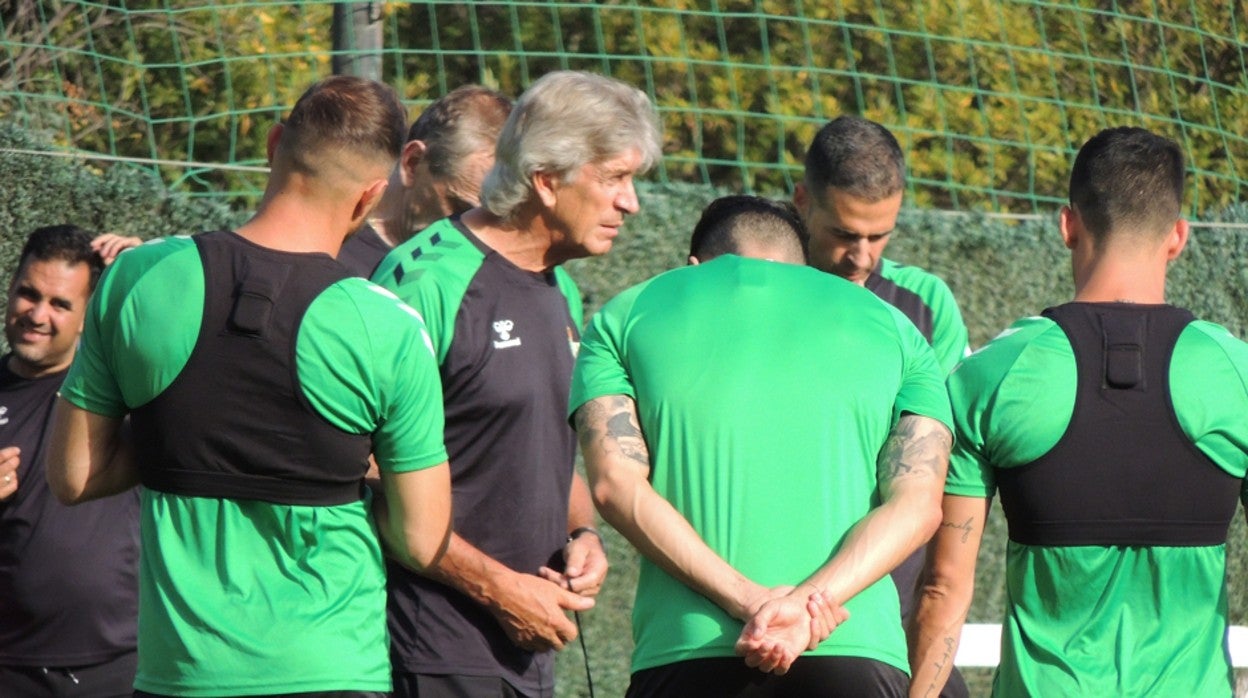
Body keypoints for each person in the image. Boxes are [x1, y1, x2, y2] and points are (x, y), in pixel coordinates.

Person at [44, 75, 453, 697]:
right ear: (371, 195)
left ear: (274, 143)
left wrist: (180, 428)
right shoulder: (389, 326)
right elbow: (422, 541)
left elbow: (75, 476)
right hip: (332, 669)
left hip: (181, 675)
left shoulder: (138, 276)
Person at [908, 126, 1248, 698]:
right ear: (1178, 237)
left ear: (1068, 225)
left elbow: (943, 588)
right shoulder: (1236, 375)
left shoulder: (993, 374)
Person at [570, 195, 953, 697]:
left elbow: (614, 486)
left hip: (689, 650)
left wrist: (751, 602)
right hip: (851, 647)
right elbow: (919, 506)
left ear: (694, 267)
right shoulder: (897, 327)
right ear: (803, 266)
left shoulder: (625, 314)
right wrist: (806, 605)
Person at [371, 69, 662, 698]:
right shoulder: (425, 282)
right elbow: (367, 476)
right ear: (547, 180)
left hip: (528, 645)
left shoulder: (561, 289)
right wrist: (499, 590)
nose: (631, 203)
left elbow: (538, 448)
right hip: (430, 648)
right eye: (615, 178)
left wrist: (582, 533)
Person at [795, 115, 971, 697]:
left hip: (887, 624)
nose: (862, 256)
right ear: (802, 202)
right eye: (845, 234)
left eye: (880, 236)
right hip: (773, 611)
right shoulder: (755, 296)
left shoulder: (925, 305)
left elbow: (942, 483)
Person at [0, 225, 138, 697]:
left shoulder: (123, 389)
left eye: (60, 304)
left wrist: (152, 269)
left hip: (117, 665)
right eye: (28, 294)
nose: (37, 315)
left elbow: (200, 351)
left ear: (87, 316)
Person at [339, 84, 513, 277]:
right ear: (413, 163)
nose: (477, 230)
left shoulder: (483, 272)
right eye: (461, 209)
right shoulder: (333, 249)